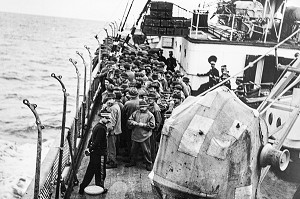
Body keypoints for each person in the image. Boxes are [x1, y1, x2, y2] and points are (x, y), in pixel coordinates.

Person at [79, 115, 110, 195]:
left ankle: (82, 187)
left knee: (90, 171)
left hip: (94, 154)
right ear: (102, 117)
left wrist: (89, 148)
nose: (107, 120)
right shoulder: (102, 128)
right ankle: (100, 188)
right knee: (101, 173)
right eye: (106, 118)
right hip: (100, 154)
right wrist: (90, 148)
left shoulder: (96, 126)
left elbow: (92, 139)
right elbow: (97, 141)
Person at [126, 100, 155, 171]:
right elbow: (129, 120)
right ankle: (132, 162)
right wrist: (133, 122)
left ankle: (149, 163)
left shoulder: (150, 115)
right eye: (141, 107)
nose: (142, 108)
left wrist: (144, 125)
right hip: (135, 135)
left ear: (147, 107)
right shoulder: (136, 113)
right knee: (133, 150)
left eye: (143, 107)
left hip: (145, 136)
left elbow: (152, 125)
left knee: (146, 151)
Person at [102, 93, 122, 169]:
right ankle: (111, 159)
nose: (109, 101)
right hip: (116, 130)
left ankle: (112, 162)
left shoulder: (113, 108)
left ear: (114, 99)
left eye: (110, 99)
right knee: (113, 146)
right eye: (108, 100)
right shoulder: (116, 106)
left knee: (111, 147)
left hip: (112, 131)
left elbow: (111, 122)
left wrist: (107, 131)